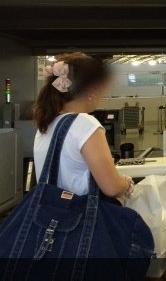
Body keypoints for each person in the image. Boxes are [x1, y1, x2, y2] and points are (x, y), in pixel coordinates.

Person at [33, 53, 134, 199]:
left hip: (52, 216)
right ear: (91, 91)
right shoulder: (84, 124)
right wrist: (126, 183)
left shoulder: (47, 124)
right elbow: (112, 188)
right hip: (81, 217)